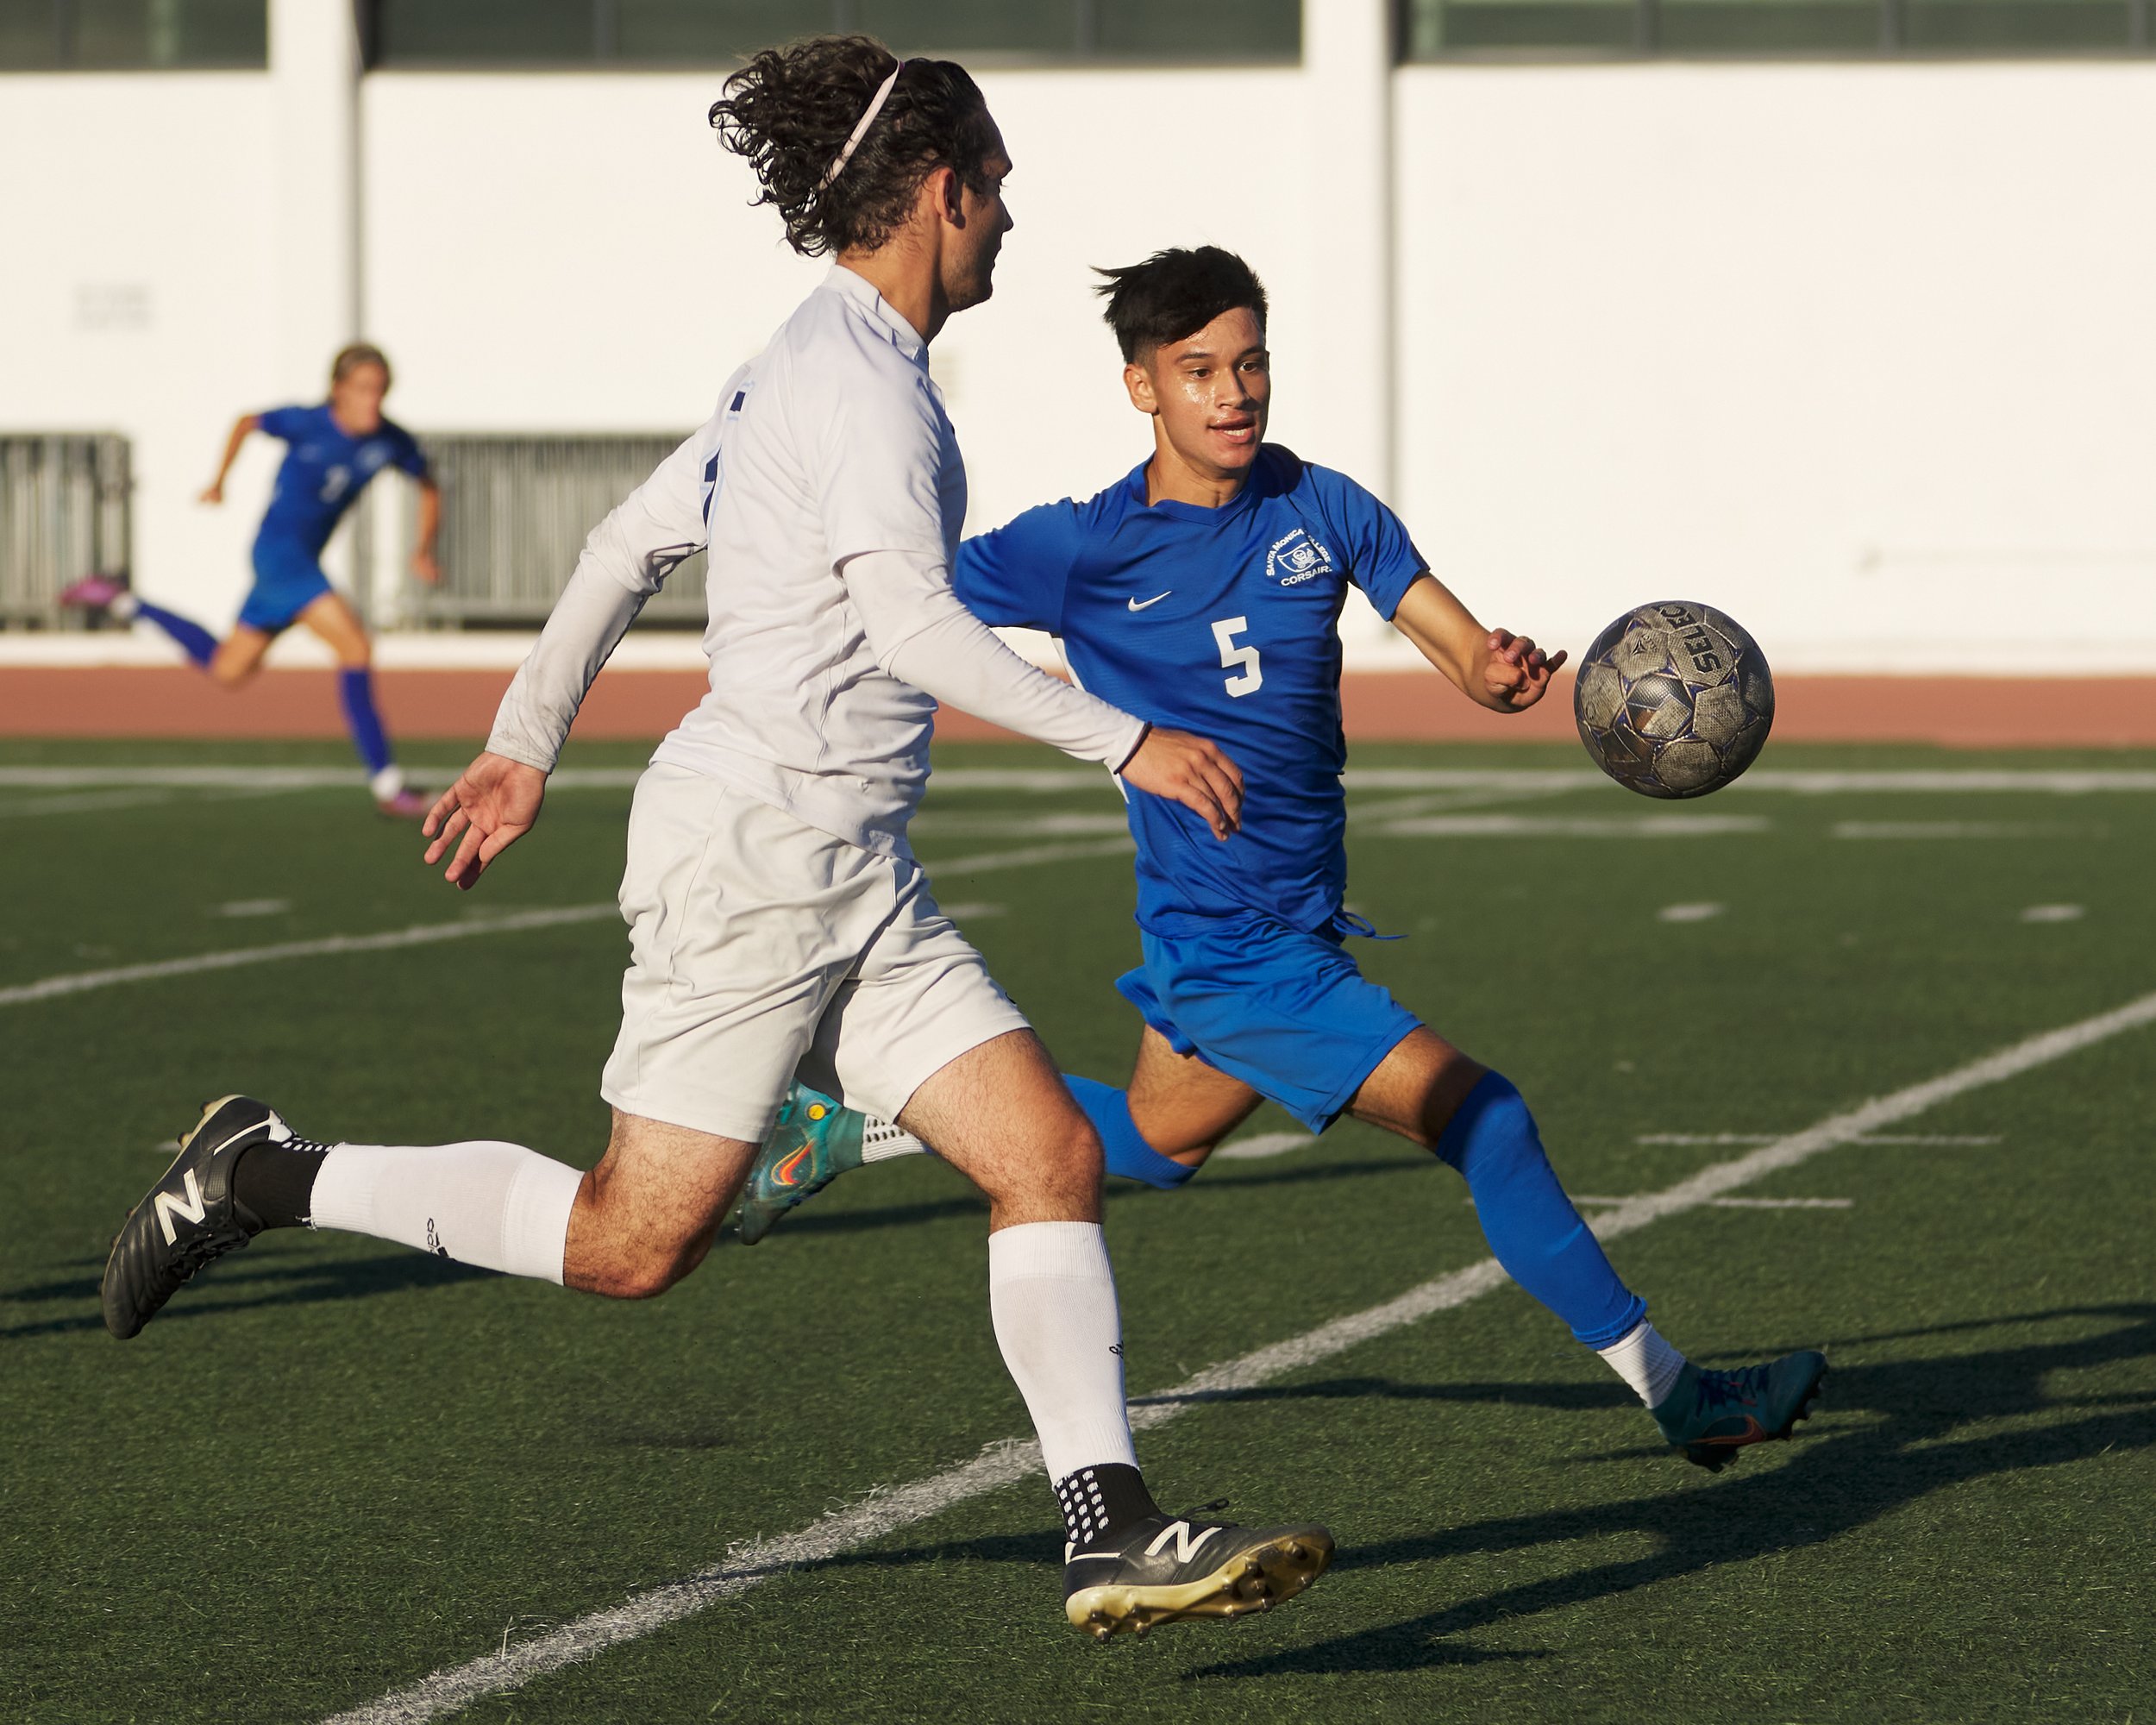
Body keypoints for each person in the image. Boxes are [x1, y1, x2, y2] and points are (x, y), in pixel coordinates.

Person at [98, 47, 1330, 1641]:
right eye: (1001, 187)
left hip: (851, 872)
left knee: (1049, 1156)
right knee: (628, 1246)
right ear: (944, 192)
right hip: (757, 863)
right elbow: (908, 620)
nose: (1013, 219)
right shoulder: (867, 387)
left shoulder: (807, 355)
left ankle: (1109, 1525)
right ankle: (257, 1174)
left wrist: (523, 744)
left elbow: (628, 545)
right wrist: (1131, 739)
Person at [734, 246, 1827, 1472]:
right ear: (1143, 386)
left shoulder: (1325, 507)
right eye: (1198, 369)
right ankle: (1683, 1396)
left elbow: (1457, 649)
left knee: (1153, 1143)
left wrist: (1501, 673)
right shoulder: (1082, 549)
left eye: (1250, 362)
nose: (1234, 390)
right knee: (1488, 1120)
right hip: (1230, 950)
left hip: (1294, 922)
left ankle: (844, 1128)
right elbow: (900, 599)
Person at [60, 344, 440, 817]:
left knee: (228, 670)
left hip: (290, 565)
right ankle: (389, 786)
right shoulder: (306, 421)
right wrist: (220, 480)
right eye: (362, 389)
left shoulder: (390, 442)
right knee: (356, 649)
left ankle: (125, 602)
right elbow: (247, 423)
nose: (372, 401)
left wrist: (422, 548)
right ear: (338, 390)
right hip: (281, 558)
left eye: (380, 390)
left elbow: (428, 485)